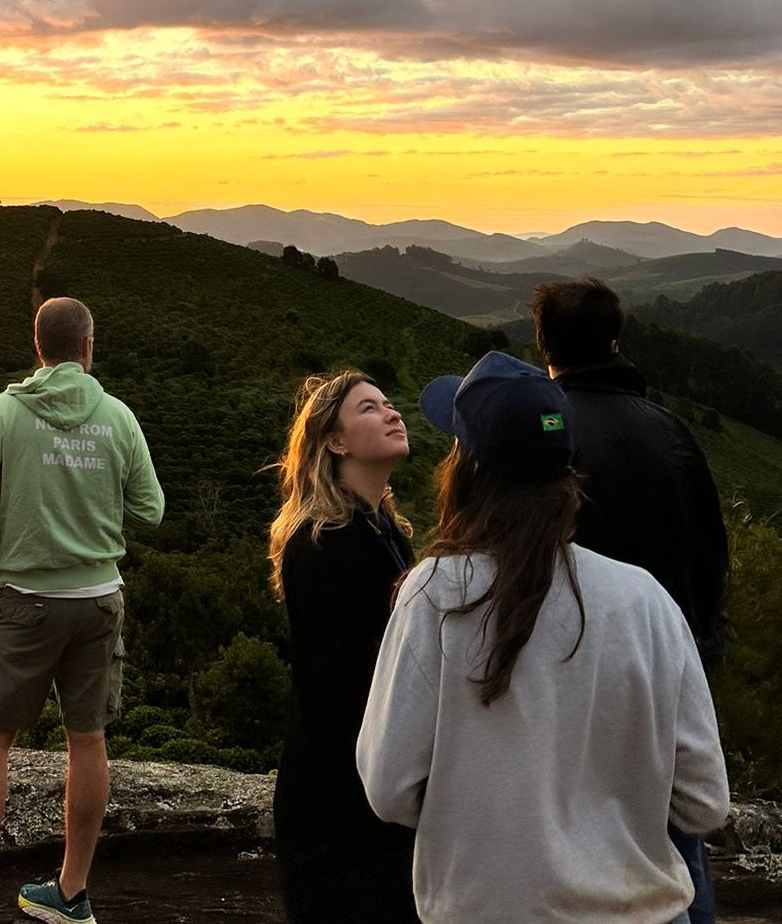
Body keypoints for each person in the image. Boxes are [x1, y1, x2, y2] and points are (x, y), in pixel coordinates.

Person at [357, 351, 730, 924]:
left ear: (467, 468)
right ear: (566, 473)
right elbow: (705, 802)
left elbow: (389, 788)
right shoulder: (646, 599)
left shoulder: (435, 593)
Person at [0, 297, 164, 924]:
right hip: (96, 601)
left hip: (23, 601)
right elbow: (152, 510)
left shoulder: (6, 413)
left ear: (38, 347)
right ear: (88, 347)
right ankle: (70, 894)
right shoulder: (118, 417)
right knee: (87, 740)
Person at [532, 277, 730, 923]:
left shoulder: (537, 435)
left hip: (556, 675)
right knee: (674, 843)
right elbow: (710, 554)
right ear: (615, 339)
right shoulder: (668, 431)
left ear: (544, 343)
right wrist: (703, 651)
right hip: (664, 670)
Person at [265, 370, 418, 923]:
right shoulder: (324, 542)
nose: (392, 413)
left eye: (389, 403)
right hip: (337, 801)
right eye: (370, 408)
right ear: (335, 442)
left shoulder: (384, 529)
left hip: (370, 787)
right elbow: (347, 680)